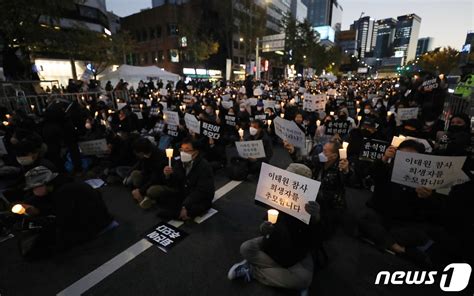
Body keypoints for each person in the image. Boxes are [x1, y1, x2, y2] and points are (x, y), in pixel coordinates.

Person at [227, 164, 328, 294]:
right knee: (245, 248)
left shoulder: (316, 202)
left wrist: (316, 218)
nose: (287, 183)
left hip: (298, 252)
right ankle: (282, 276)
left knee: (303, 280)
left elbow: (322, 236)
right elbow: (267, 220)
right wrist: (263, 228)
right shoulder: (280, 193)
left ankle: (253, 270)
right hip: (274, 243)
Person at [359, 140, 443, 266]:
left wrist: (427, 197)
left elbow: (433, 210)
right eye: (403, 156)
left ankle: (384, 240)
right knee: (364, 218)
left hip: (404, 223)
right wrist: (385, 157)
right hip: (380, 215)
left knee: (419, 234)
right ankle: (399, 249)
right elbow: (373, 173)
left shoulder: (425, 180)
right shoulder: (387, 170)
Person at [17, 166, 114, 257]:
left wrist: (39, 216)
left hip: (95, 222)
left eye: (34, 188)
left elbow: (62, 220)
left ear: (44, 183)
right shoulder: (61, 183)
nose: (33, 190)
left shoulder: (65, 192)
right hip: (92, 214)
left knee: (47, 244)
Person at [157, 137, 215, 220]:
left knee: (192, 209)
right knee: (164, 198)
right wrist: (168, 175)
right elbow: (176, 181)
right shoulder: (179, 162)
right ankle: (180, 213)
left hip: (199, 198)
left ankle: (182, 213)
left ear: (195, 152)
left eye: (187, 150)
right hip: (184, 193)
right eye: (182, 150)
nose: (183, 153)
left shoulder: (204, 166)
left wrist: (185, 205)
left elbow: (202, 191)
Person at [124, 138, 168, 209]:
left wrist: (141, 191)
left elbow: (155, 178)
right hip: (149, 176)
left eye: (136, 152)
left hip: (160, 181)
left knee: (151, 190)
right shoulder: (145, 154)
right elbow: (140, 164)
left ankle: (147, 198)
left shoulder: (159, 157)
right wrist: (128, 174)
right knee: (134, 173)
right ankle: (143, 196)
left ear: (141, 152)